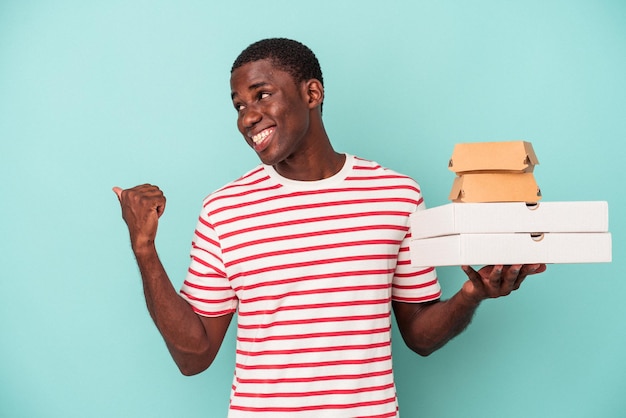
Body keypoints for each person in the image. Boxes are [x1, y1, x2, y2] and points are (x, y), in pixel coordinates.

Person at [113, 38, 546, 417]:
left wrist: (473, 294)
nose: (248, 116)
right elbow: (195, 356)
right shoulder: (224, 210)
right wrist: (145, 251)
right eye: (240, 105)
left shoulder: (396, 195)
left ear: (312, 92)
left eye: (262, 95)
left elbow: (419, 335)